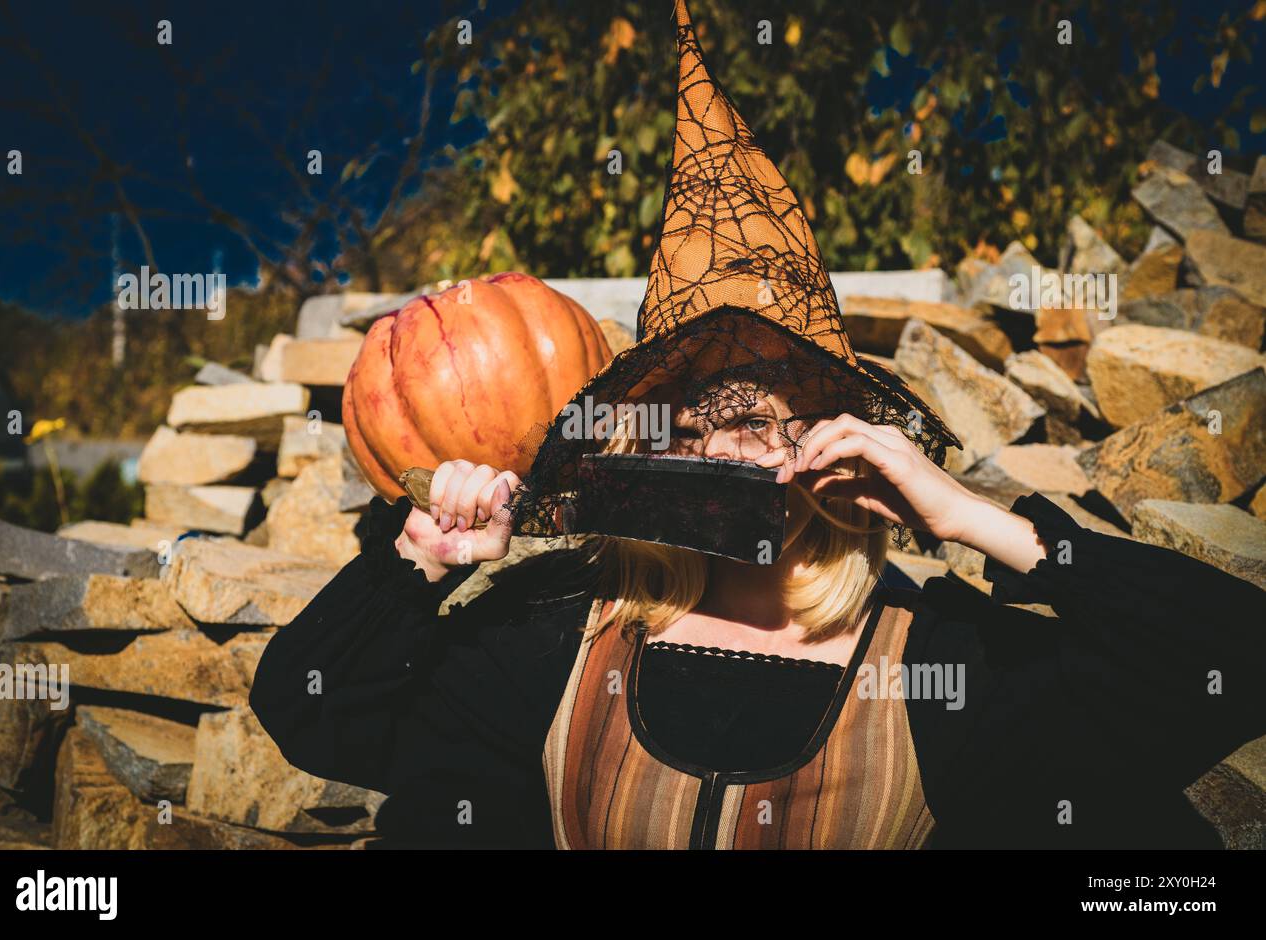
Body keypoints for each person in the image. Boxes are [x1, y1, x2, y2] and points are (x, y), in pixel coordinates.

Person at [248, 1, 1266, 849]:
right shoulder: (553, 632)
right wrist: (417, 567)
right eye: (699, 416)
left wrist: (979, 522)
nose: (735, 447)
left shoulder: (936, 663)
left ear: (845, 440)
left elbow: (1238, 666)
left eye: (773, 415)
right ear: (647, 446)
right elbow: (309, 706)